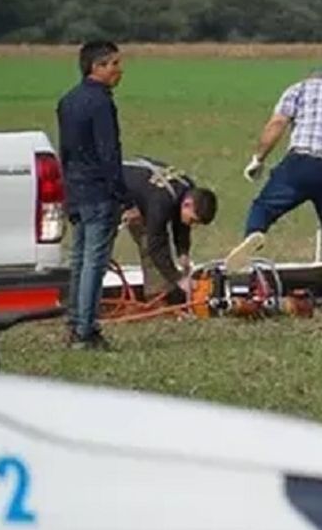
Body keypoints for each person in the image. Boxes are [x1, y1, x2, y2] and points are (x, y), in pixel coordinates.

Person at [229, 68, 322, 295]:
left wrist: (258, 159)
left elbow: (277, 124)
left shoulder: (300, 89)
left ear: (312, 78)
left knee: (263, 207)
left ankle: (255, 241)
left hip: (304, 162)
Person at [55, 40, 129, 351]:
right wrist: (122, 195)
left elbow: (66, 151)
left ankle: (74, 323)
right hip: (98, 191)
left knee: (79, 259)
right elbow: (108, 152)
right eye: (113, 64)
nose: (119, 70)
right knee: (94, 264)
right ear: (95, 67)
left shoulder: (67, 100)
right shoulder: (101, 103)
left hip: (75, 188)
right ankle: (86, 330)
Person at [121, 156, 218, 303]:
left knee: (152, 240)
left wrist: (183, 252)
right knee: (148, 242)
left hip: (136, 186)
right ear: (188, 204)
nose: (193, 225)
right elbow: (156, 246)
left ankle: (159, 292)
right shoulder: (161, 202)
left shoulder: (187, 188)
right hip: (105, 188)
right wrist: (178, 279)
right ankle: (157, 297)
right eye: (193, 220)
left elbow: (181, 222)